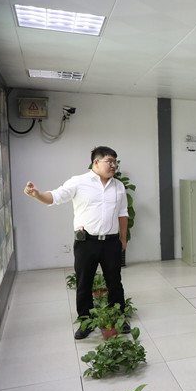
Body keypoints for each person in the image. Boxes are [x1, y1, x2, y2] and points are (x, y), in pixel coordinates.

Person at [24, 146, 129, 340]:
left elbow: (123, 214)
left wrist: (123, 239)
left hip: (111, 242)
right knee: (84, 283)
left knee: (115, 282)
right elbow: (54, 197)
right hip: (86, 243)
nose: (113, 165)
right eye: (109, 161)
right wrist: (37, 194)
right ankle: (86, 322)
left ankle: (119, 318)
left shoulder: (118, 186)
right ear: (96, 162)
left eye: (115, 162)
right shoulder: (79, 182)